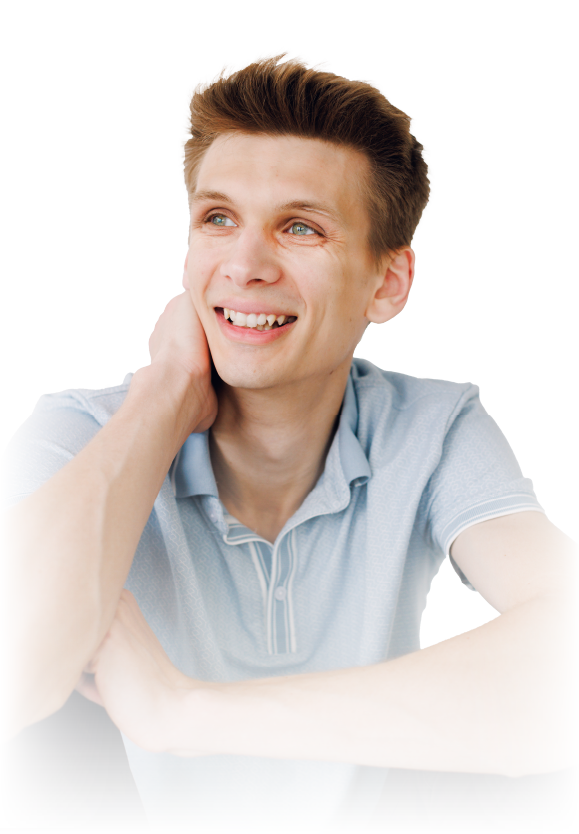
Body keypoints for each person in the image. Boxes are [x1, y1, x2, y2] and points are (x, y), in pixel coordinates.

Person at [2, 50, 577, 833]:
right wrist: (164, 395)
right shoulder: (84, 431)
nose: (242, 266)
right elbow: (15, 678)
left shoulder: (432, 429)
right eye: (217, 219)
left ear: (387, 283)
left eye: (299, 227)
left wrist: (185, 714)